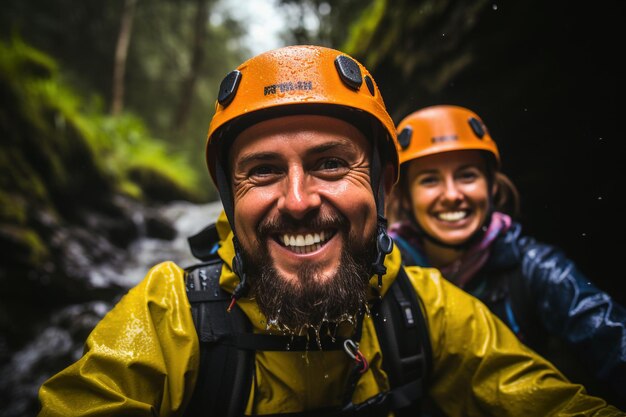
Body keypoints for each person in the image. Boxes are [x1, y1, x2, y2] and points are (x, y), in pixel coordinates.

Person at [36, 46, 624, 417]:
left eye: (330, 164)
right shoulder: (168, 318)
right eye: (263, 171)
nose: (296, 201)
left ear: (383, 187)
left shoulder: (427, 309)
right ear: (228, 199)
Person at [388, 104, 626, 408]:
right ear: (405, 196)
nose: (451, 194)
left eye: (467, 175)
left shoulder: (534, 266)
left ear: (490, 185)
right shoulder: (386, 277)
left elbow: (608, 335)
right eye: (430, 180)